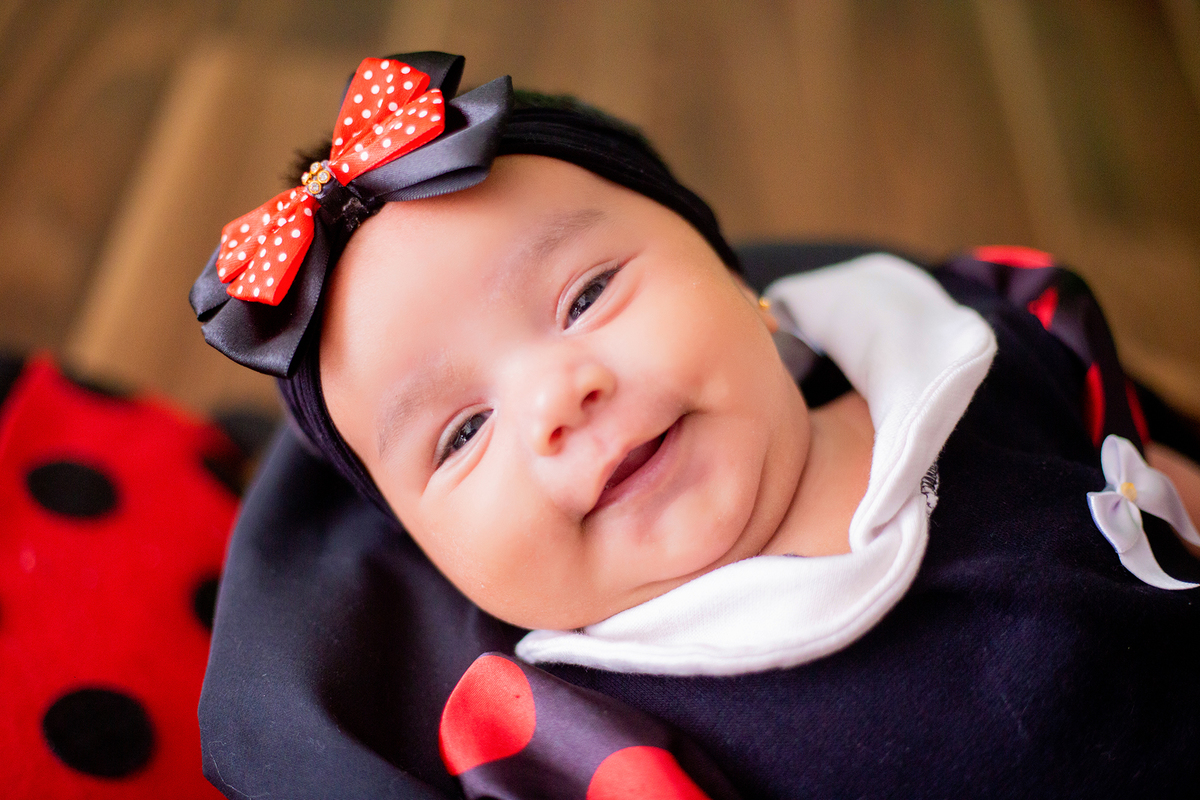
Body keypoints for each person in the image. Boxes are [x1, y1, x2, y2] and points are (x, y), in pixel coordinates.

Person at [193, 52, 1200, 798]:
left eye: (587, 295)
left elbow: (1149, 480)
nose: (557, 399)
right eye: (461, 434)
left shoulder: (959, 343)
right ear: (429, 553)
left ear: (730, 273)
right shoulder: (584, 735)